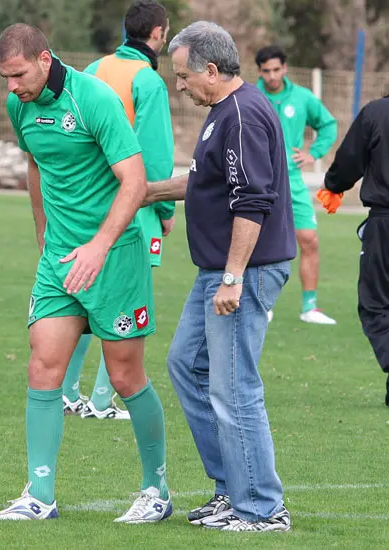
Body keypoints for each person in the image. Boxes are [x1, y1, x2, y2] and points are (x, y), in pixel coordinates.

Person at [0, 23, 171, 524]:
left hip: (115, 257)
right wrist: (42, 231)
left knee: (124, 376)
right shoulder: (19, 105)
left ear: (45, 59)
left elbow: (134, 184)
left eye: (18, 74)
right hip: (60, 260)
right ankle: (39, 495)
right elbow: (35, 164)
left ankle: (157, 490)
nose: (12, 87)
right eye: (5, 77)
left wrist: (99, 245)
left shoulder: (95, 99)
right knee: (43, 366)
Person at [142, 21, 295, 531]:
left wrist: (233, 276)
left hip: (242, 272)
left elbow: (253, 199)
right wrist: (144, 192)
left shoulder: (244, 116)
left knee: (235, 387)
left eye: (183, 76)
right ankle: (232, 487)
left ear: (211, 69)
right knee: (186, 364)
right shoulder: (222, 113)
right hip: (218, 270)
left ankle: (262, 508)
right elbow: (204, 181)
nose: (179, 86)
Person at [61, 0, 176, 421]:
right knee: (125, 298)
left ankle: (68, 392)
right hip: (130, 205)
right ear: (159, 34)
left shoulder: (93, 70)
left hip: (90, 204)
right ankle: (102, 400)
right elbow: (155, 154)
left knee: (86, 293)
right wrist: (164, 207)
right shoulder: (149, 80)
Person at [255, 45, 338, 324]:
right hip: (259, 180)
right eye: (266, 71)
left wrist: (312, 153)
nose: (272, 76)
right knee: (257, 242)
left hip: (292, 180)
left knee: (309, 239)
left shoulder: (302, 97)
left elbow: (328, 124)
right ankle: (260, 305)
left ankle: (309, 307)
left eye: (276, 69)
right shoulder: (251, 96)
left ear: (285, 68)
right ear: (259, 72)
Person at [320, 94, 389, 406]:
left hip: (385, 225)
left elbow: (350, 159)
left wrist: (334, 186)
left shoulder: (377, 112)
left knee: (375, 305)